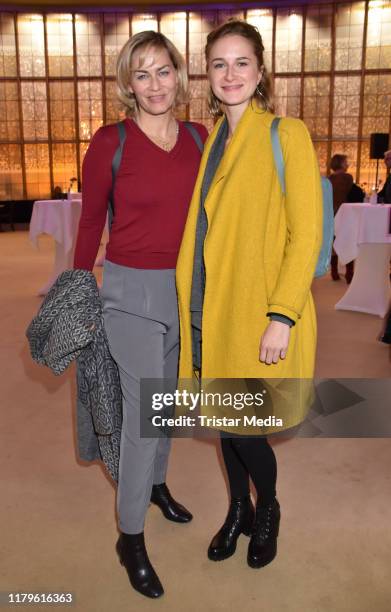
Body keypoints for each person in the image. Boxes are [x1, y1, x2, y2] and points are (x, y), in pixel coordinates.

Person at [176, 20, 322, 570]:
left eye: (241, 63)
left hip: (259, 309)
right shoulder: (215, 138)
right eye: (219, 63)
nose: (230, 73)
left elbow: (306, 233)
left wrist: (281, 315)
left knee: (245, 426)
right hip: (215, 305)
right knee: (225, 418)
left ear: (261, 72)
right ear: (208, 75)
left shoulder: (286, 134)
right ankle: (237, 508)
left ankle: (268, 510)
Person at [73, 31, 208, 599]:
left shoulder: (202, 136)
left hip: (185, 290)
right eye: (142, 74)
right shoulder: (111, 141)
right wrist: (80, 288)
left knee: (169, 403)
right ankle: (129, 536)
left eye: (164, 71)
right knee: (146, 414)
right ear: (128, 84)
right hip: (129, 293)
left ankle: (155, 484)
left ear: (179, 74)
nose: (155, 84)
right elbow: (88, 223)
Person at [328, 154, 354, 282]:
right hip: (345, 212)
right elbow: (351, 193)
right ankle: (349, 274)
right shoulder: (348, 178)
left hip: (332, 213)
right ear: (340, 164)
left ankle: (334, 273)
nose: (347, 164)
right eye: (346, 162)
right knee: (348, 241)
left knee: (333, 243)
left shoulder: (329, 179)